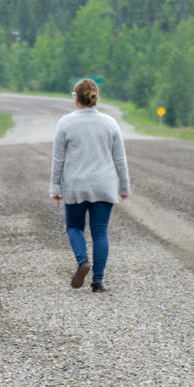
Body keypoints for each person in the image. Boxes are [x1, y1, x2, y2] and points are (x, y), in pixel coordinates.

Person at [50, 78, 130, 293]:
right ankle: (98, 281)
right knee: (100, 233)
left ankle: (83, 260)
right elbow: (120, 159)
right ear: (96, 97)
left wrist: (55, 187)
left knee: (74, 227)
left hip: (76, 185)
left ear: (76, 97)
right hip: (103, 185)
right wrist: (124, 187)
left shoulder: (65, 123)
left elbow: (58, 159)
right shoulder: (110, 123)